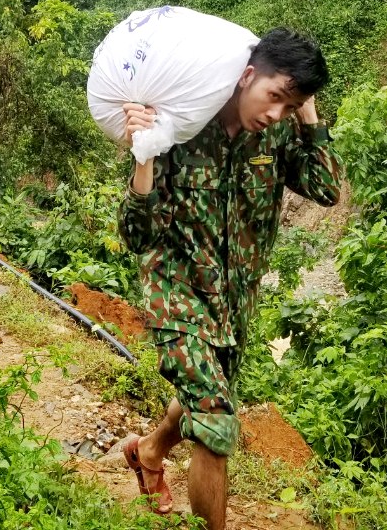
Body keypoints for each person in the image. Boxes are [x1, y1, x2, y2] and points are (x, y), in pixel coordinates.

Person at [117, 27, 341, 530]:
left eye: (289, 106)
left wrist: (308, 115)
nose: (276, 113)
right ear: (247, 76)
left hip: (235, 300)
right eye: (275, 96)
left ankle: (148, 452)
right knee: (216, 420)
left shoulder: (276, 135)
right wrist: (144, 155)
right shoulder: (183, 122)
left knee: (206, 398)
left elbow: (327, 189)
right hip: (175, 289)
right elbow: (135, 235)